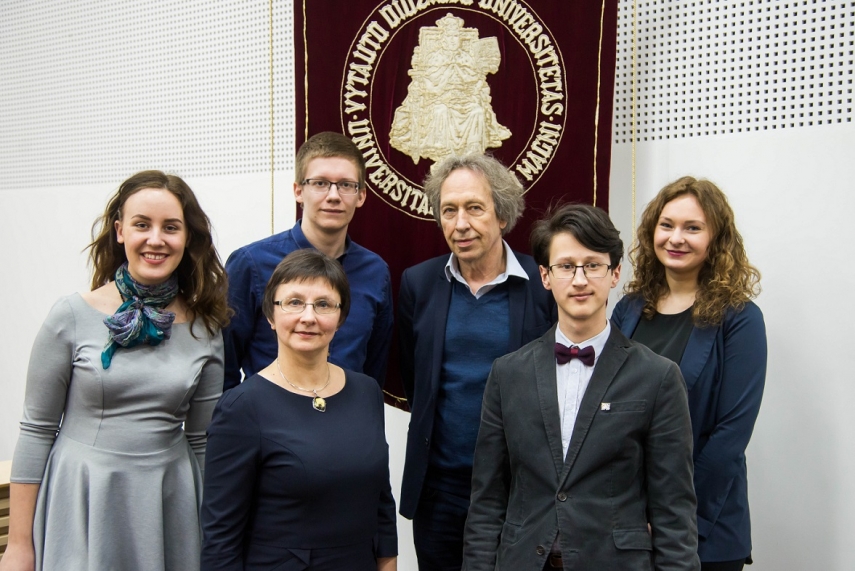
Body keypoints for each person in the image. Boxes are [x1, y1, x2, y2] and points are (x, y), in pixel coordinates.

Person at [0, 171, 231, 571]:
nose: (155, 239)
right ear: (120, 230)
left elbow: (202, 442)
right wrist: (18, 545)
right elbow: (37, 431)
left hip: (168, 501)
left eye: (171, 227)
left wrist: (216, 538)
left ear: (187, 238)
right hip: (82, 496)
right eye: (142, 224)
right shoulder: (70, 316)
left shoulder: (205, 329)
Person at [463, 203, 700, 571]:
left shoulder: (658, 377)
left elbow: (674, 513)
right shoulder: (507, 374)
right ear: (545, 275)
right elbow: (487, 502)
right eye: (565, 266)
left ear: (615, 272)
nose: (579, 279)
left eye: (593, 265)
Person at [398, 153, 555, 570]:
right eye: (449, 210)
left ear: (502, 215)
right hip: (440, 492)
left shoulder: (542, 285)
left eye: (474, 208)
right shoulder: (418, 284)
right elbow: (419, 383)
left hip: (521, 489)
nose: (461, 223)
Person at [200, 249, 397, 571]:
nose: (309, 317)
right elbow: (220, 538)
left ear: (341, 315)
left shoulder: (366, 392)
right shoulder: (241, 408)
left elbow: (381, 502)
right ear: (270, 314)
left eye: (323, 304)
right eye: (293, 302)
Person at [611, 176, 766, 571]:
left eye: (692, 228)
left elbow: (730, 436)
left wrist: (670, 514)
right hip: (625, 521)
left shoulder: (741, 319)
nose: (676, 238)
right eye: (667, 225)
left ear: (716, 239)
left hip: (702, 526)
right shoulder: (628, 310)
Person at [223, 131, 393, 390]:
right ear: (299, 191)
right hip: (267, 423)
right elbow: (224, 367)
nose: (334, 195)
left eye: (346, 184)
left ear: (361, 196)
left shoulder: (375, 271)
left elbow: (373, 373)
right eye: (320, 183)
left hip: (345, 423)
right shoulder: (251, 264)